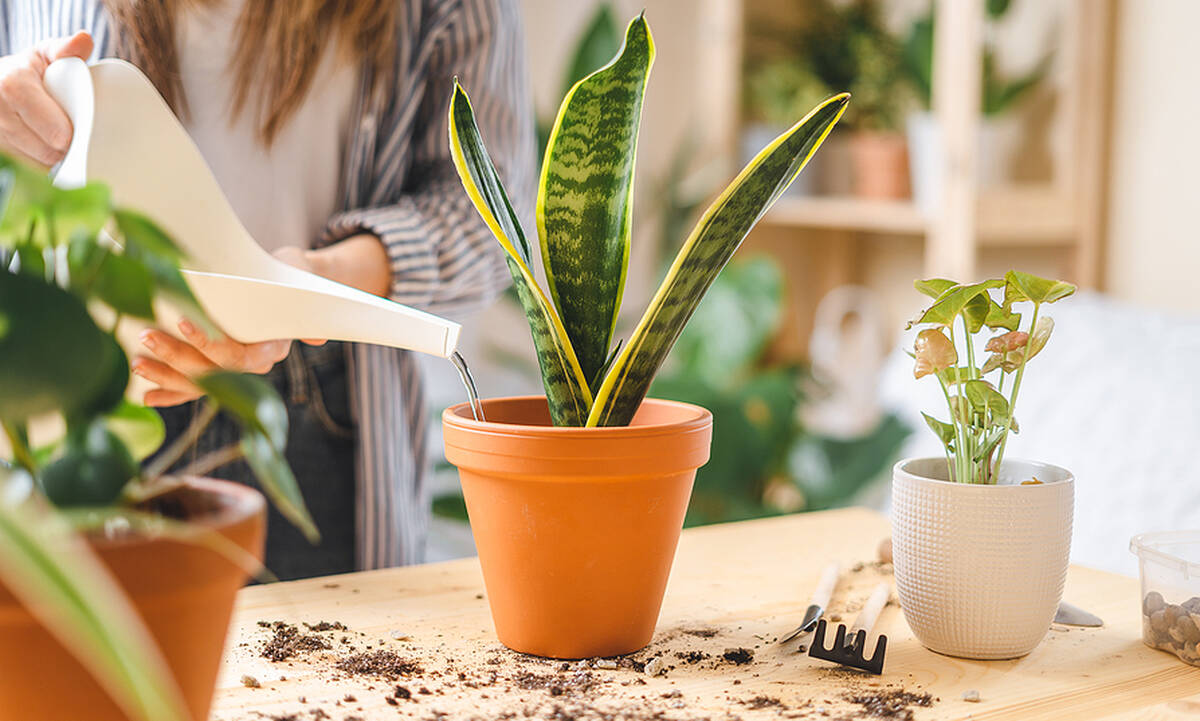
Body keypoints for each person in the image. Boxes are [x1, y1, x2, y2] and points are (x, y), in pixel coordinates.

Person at [0, 0, 534, 579]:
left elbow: (491, 216)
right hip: (86, 388)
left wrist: (321, 279)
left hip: (321, 403)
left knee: (332, 633)